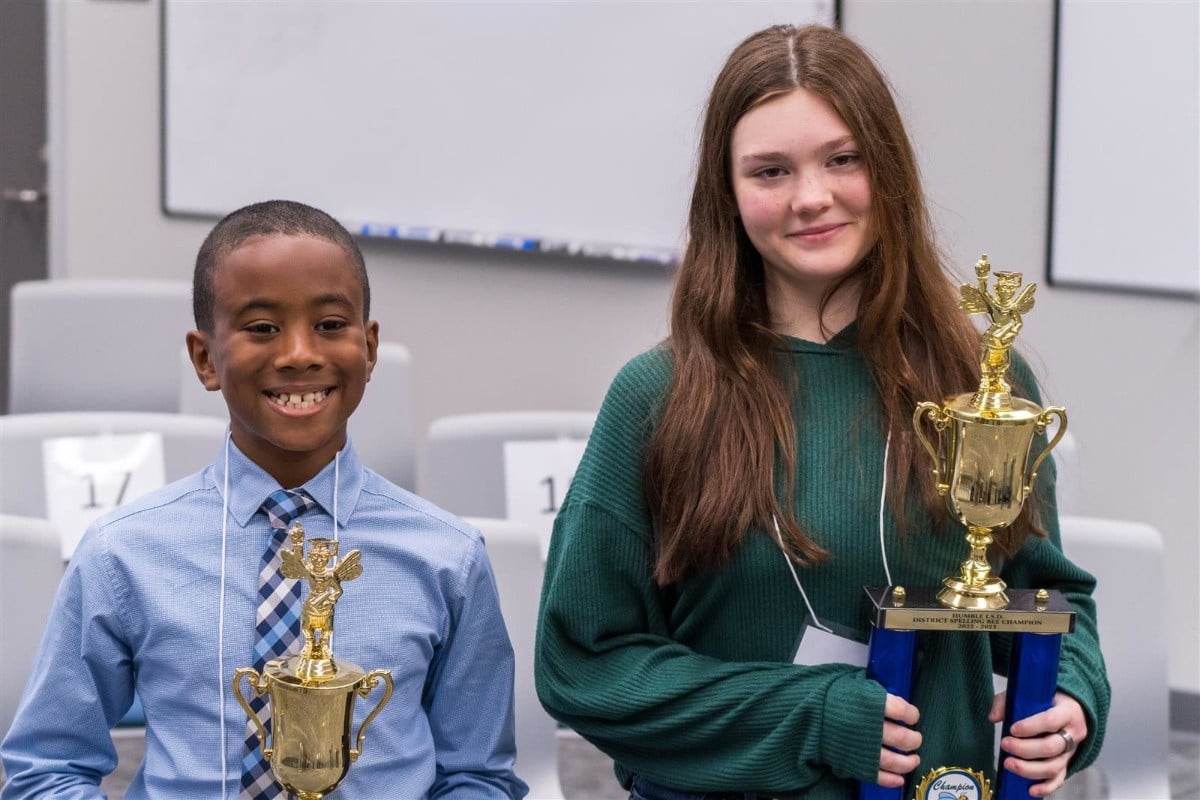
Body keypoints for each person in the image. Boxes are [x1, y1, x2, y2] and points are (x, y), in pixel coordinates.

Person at [535, 24, 1108, 800]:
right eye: (770, 171)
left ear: (889, 168)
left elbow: (1049, 597)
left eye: (843, 159)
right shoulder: (657, 398)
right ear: (727, 194)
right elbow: (584, 664)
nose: (811, 197)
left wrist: (1072, 701)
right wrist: (813, 715)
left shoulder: (985, 388)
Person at [2, 200, 528, 799]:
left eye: (330, 324)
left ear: (370, 347)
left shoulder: (448, 557)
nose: (300, 352)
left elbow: (478, 775)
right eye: (261, 328)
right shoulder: (121, 553)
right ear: (205, 359)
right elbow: (47, 767)